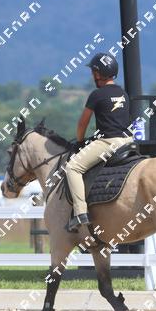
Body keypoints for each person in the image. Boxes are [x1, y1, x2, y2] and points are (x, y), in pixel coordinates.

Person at [65, 53, 131, 232]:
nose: (92, 75)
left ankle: (80, 213)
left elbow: (82, 123)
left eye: (93, 72)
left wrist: (80, 141)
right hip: (128, 140)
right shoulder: (123, 93)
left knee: (72, 168)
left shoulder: (97, 95)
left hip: (109, 142)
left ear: (97, 73)